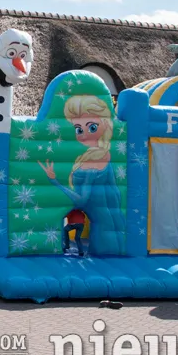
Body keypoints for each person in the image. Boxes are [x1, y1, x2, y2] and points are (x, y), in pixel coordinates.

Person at [38, 94, 126, 255]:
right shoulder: (90, 156)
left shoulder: (97, 159)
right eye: (79, 129)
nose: (83, 134)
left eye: (92, 127)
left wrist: (55, 181)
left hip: (105, 225)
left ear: (105, 124)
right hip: (106, 223)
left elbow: (81, 199)